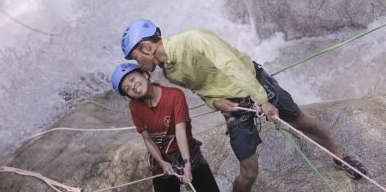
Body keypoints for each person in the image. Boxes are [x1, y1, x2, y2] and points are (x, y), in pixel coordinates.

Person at [120, 19, 367, 192]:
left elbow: (232, 66)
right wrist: (215, 102)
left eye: (135, 57)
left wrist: (263, 100)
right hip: (234, 106)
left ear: (146, 46)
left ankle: (338, 156)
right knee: (248, 173)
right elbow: (200, 89)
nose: (137, 65)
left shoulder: (195, 39)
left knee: (299, 120)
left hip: (256, 83)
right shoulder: (170, 72)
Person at [111, 62, 220, 192]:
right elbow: (147, 139)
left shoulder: (174, 95)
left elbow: (180, 131)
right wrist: (162, 163)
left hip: (187, 154)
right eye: (127, 89)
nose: (132, 86)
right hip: (162, 160)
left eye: (132, 79)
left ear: (145, 74)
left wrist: (187, 162)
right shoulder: (135, 107)